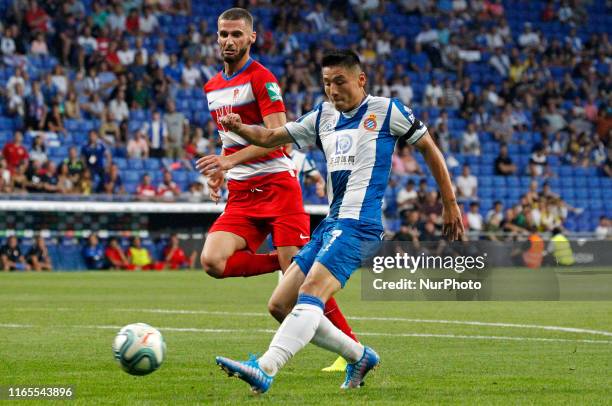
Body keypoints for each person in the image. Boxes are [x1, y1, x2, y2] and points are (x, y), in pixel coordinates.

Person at [208, 49, 463, 393]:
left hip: (360, 224)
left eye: (339, 81)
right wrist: (241, 128)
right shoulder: (323, 115)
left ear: (361, 80)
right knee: (280, 304)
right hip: (331, 224)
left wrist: (450, 203)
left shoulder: (387, 111)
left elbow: (429, 148)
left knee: (312, 291)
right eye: (327, 82)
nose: (332, 90)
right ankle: (358, 356)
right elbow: (271, 137)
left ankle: (265, 367)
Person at [196, 8, 358, 372]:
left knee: (303, 287)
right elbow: (229, 139)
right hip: (241, 193)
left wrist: (229, 163)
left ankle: (351, 349)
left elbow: (279, 141)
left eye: (236, 34)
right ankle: (284, 263)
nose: (228, 41)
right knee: (212, 261)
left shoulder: (262, 79)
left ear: (251, 37)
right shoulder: (212, 87)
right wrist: (221, 170)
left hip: (277, 188)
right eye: (223, 34)